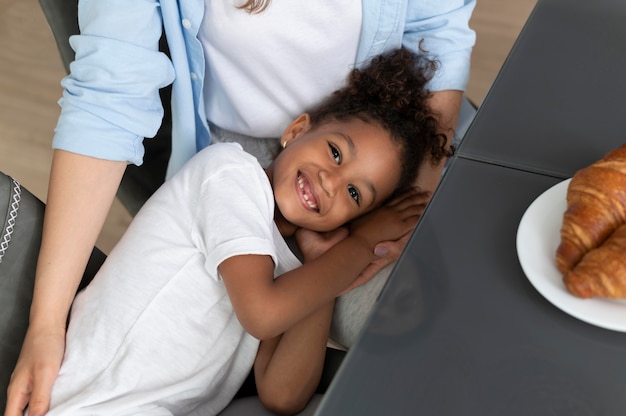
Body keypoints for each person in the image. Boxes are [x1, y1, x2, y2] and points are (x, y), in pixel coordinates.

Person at [6, 0, 475, 414]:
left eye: (355, 195)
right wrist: (360, 246)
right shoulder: (228, 176)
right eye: (334, 152)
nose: (332, 182)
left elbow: (282, 394)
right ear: (295, 130)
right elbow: (263, 315)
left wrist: (324, 263)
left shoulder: (289, 260)